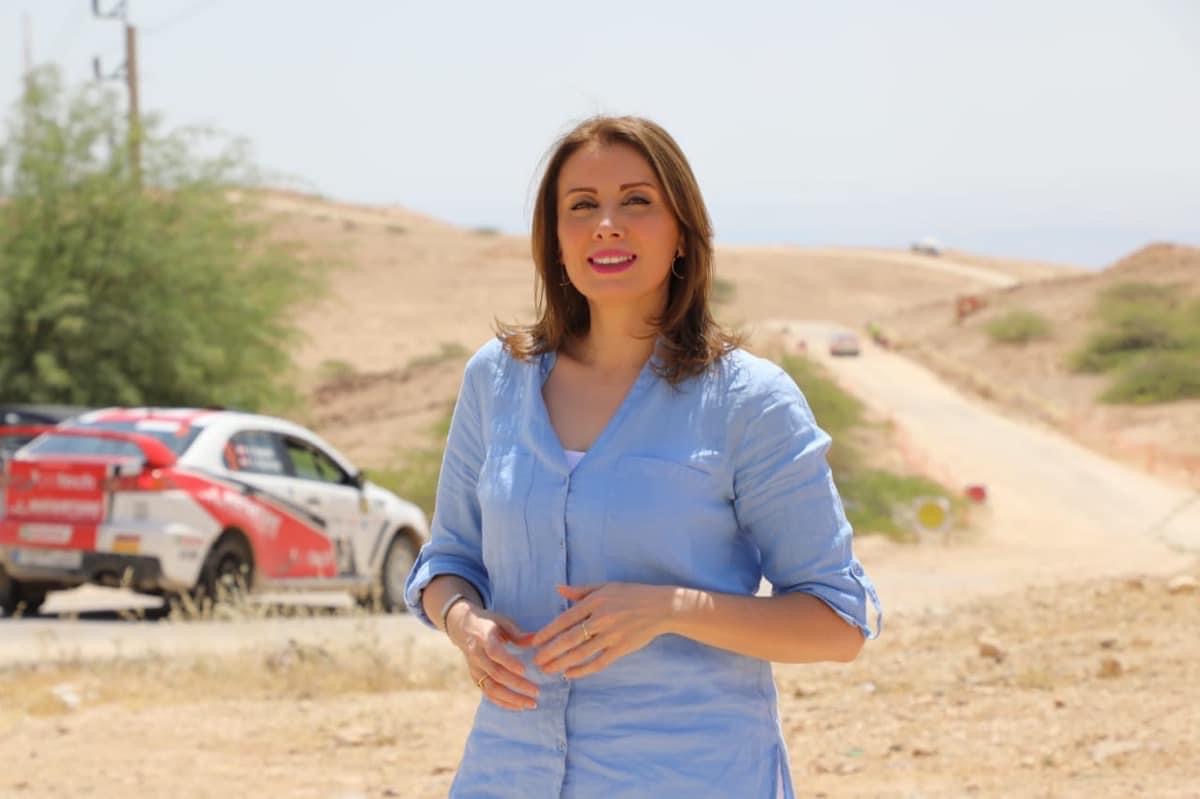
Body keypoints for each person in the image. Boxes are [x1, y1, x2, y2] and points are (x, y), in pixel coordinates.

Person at [404, 115, 882, 798]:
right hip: (507, 772)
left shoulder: (750, 401)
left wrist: (671, 608)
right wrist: (465, 624)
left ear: (683, 232)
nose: (606, 225)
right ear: (554, 239)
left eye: (636, 201)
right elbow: (448, 561)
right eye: (581, 206)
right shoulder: (495, 379)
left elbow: (839, 623)